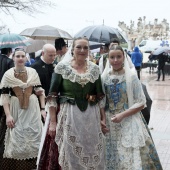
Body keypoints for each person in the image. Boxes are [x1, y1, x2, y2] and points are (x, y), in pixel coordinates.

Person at [37, 37, 106, 170]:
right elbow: (52, 96)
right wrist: (53, 122)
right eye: (79, 47)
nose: (82, 50)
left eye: (86, 48)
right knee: (69, 150)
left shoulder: (95, 69)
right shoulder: (62, 68)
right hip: (69, 114)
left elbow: (99, 96)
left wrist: (102, 118)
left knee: (90, 148)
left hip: (90, 116)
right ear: (72, 49)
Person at [101, 45, 162, 169]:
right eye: (112, 57)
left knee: (128, 158)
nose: (115, 60)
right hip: (110, 123)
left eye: (118, 56)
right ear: (108, 59)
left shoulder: (132, 77)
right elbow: (101, 102)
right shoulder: (104, 77)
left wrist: (122, 115)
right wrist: (102, 120)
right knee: (112, 157)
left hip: (128, 120)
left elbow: (141, 102)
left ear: (124, 57)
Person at [0, 48, 45, 169]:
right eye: (18, 56)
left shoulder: (32, 73)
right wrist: (8, 115)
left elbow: (39, 90)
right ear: (13, 58)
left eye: (22, 56)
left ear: (26, 58)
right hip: (16, 108)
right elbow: (4, 96)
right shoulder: (8, 74)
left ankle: (34, 165)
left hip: (32, 109)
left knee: (34, 134)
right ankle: (19, 166)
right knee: (17, 136)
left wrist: (43, 108)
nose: (20, 58)